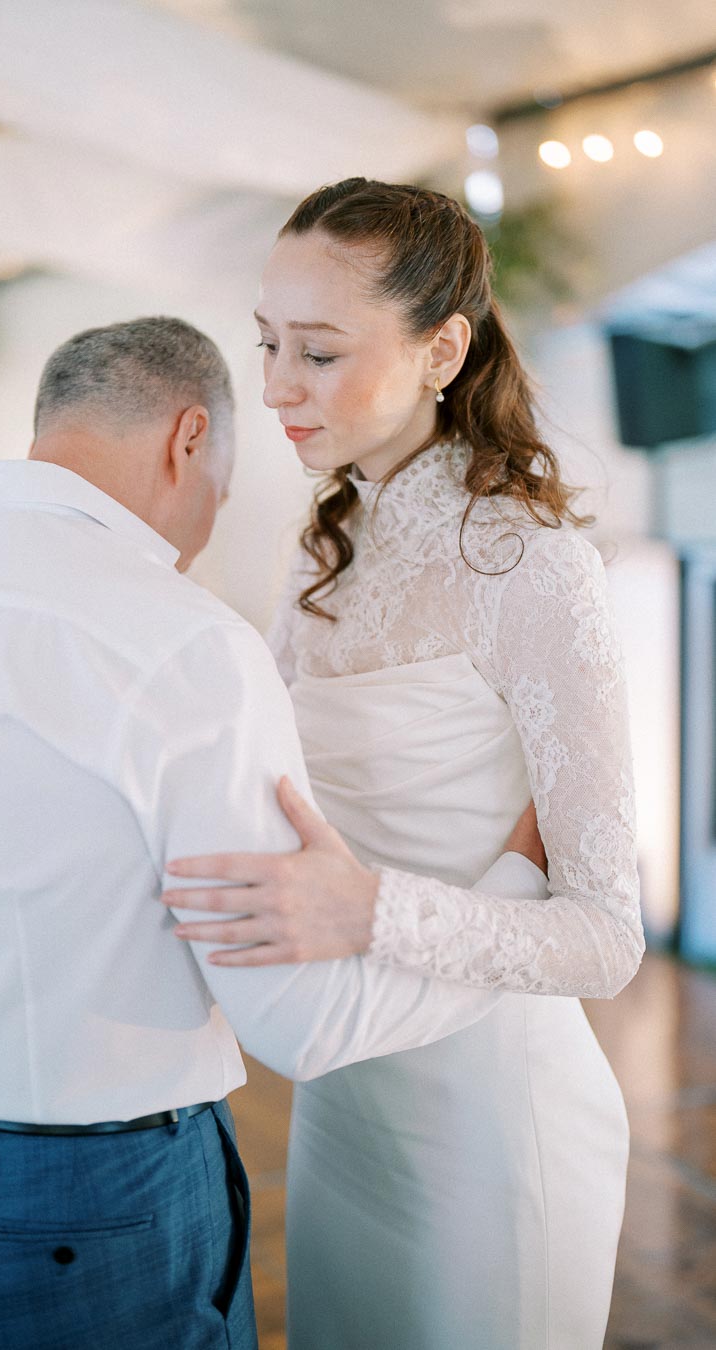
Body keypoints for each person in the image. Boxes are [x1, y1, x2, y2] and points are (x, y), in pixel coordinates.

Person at [0, 316, 549, 1350]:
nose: (208, 520)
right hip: (85, 1205)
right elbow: (296, 1021)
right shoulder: (181, 639)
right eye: (226, 485)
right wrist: (517, 889)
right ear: (189, 440)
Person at [163, 182, 645, 1350]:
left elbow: (607, 936)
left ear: (443, 350)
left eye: (319, 352)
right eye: (269, 342)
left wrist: (369, 909)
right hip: (350, 1097)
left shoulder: (533, 568)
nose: (274, 386)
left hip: (491, 1121)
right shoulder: (329, 543)